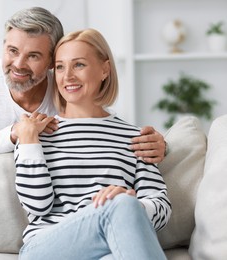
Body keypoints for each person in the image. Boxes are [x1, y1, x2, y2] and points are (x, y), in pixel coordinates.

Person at [13, 28, 171, 259]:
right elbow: (37, 207)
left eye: (79, 65)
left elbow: (161, 206)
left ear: (105, 69)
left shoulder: (135, 137)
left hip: (110, 247)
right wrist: (27, 142)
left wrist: (131, 205)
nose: (67, 76)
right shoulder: (36, 134)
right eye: (59, 67)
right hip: (46, 247)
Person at [0, 7, 167, 162]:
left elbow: (99, 129)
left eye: (33, 56)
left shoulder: (65, 83)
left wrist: (161, 146)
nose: (19, 64)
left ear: (51, 61)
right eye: (12, 51)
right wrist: (15, 132)